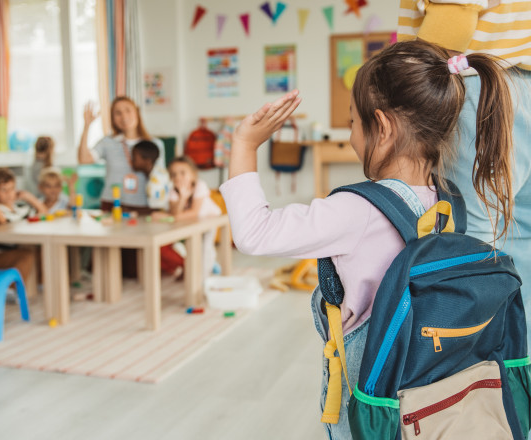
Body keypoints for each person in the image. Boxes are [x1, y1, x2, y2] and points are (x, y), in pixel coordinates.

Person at [220, 41, 515, 437]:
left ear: (384, 127)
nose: (352, 137)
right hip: (431, 399)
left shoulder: (355, 211)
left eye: (353, 125)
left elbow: (254, 234)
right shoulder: (448, 203)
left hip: (372, 403)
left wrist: (244, 145)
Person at [398, 2, 531, 438]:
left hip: (477, 98)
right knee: (528, 311)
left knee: (458, 311)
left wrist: (391, 95)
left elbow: (453, 22)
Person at [77, 97, 165, 215]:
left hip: (145, 206)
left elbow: (161, 178)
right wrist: (86, 126)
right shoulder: (108, 142)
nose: (124, 116)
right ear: (113, 118)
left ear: (137, 112)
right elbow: (84, 159)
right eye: (118, 113)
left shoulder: (154, 144)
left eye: (128, 110)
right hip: (112, 204)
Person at [0, 167, 46, 288]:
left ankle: (39, 284)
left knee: (39, 250)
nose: (8, 193)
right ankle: (10, 290)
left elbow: (43, 212)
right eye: (3, 190)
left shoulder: (19, 208)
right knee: (27, 256)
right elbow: (2, 221)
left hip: (12, 252)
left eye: (11, 189)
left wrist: (29, 197)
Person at [153, 156, 222, 279]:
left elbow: (194, 212)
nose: (178, 177)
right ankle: (195, 267)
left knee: (205, 246)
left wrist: (170, 217)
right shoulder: (173, 191)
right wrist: (182, 198)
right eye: (174, 174)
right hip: (191, 222)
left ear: (193, 175)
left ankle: (204, 275)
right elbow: (175, 211)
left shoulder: (200, 185)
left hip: (209, 219)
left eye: (182, 173)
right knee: (192, 247)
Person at [130, 140, 169, 211]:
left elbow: (157, 209)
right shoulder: (157, 173)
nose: (131, 161)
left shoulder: (156, 180)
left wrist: (131, 209)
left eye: (134, 158)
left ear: (147, 161)